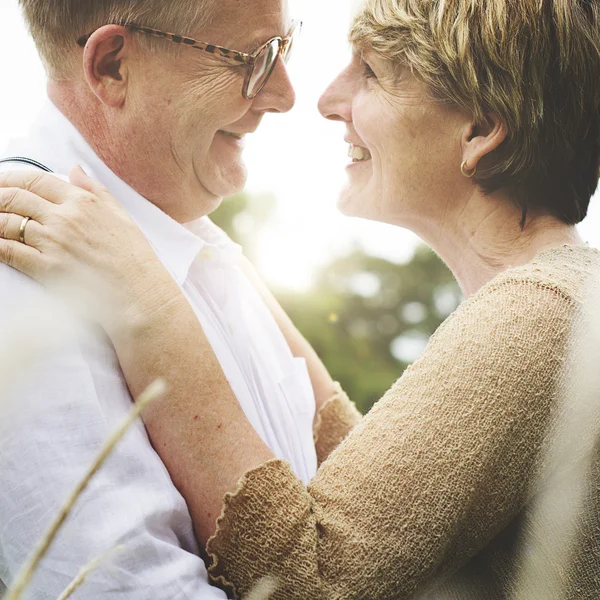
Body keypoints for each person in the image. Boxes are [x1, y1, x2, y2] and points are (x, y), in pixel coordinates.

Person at [1, 0, 600, 599]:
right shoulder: (562, 301)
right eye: (255, 57)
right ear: (109, 67)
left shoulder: (536, 320)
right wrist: (201, 252)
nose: (314, 98)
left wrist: (153, 308)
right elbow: (383, 502)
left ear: (478, 131)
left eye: (370, 73)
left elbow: (314, 579)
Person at [0, 1, 346, 598]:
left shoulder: (197, 243)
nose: (285, 95)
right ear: (112, 66)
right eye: (253, 59)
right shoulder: (30, 265)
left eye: (283, 49)